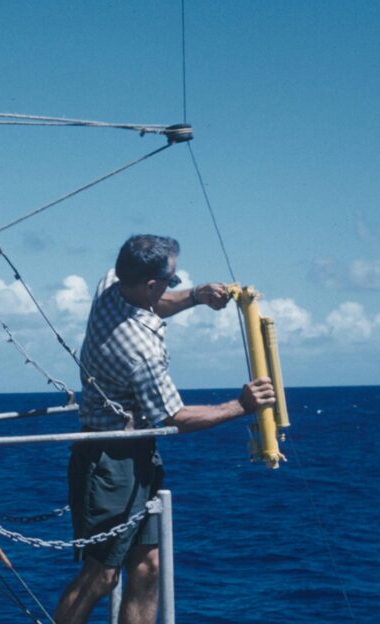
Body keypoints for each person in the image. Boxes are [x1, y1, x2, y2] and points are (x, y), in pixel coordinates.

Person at [54, 235, 276, 624]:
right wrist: (242, 405)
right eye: (171, 281)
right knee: (100, 576)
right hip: (110, 462)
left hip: (134, 452)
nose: (175, 286)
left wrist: (194, 296)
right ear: (151, 284)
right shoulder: (140, 350)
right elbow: (177, 418)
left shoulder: (112, 282)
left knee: (147, 568)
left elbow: (154, 301)